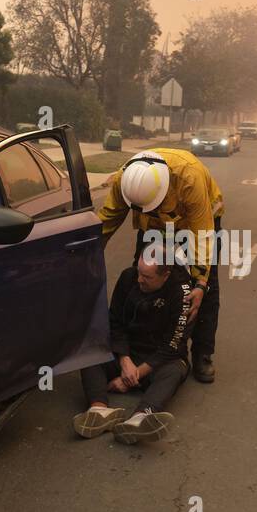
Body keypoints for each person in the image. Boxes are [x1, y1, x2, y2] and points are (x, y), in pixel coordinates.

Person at [97, 148, 225, 383]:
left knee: (206, 288)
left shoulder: (189, 177)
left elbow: (202, 235)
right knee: (144, 277)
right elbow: (108, 219)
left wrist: (200, 282)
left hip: (197, 220)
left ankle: (202, 354)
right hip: (155, 225)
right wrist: (89, 254)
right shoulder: (125, 179)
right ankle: (141, 348)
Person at [73, 254, 193, 444]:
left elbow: (173, 344)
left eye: (147, 277)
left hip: (159, 359)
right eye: (139, 273)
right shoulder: (128, 277)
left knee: (176, 369)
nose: (139, 280)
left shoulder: (184, 293)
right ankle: (99, 410)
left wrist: (128, 378)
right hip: (127, 352)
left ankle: (140, 418)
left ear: (166, 275)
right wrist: (124, 359)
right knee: (90, 351)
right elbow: (115, 322)